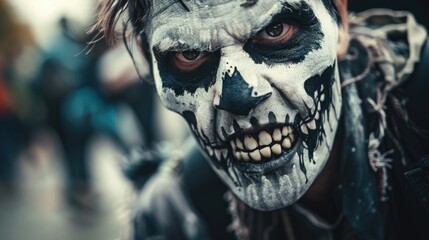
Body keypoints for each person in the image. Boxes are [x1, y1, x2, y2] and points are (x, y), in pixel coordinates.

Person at [94, 0, 429, 239]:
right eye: (189, 54)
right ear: (150, 65)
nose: (239, 95)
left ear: (338, 23)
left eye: (275, 30)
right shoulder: (176, 216)